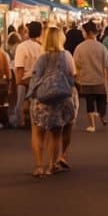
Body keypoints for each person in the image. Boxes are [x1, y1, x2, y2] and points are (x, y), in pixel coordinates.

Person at [29, 26, 76, 177]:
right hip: (59, 98)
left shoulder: (41, 57)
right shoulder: (66, 56)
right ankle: (52, 165)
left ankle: (38, 166)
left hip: (41, 100)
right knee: (56, 133)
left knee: (38, 132)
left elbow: (35, 78)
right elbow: (72, 76)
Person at [73, 21, 108, 132]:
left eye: (83, 32)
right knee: (101, 100)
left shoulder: (80, 47)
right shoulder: (102, 47)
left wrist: (78, 77)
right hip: (100, 80)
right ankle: (102, 115)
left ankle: (92, 125)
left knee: (89, 103)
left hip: (85, 80)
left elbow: (75, 64)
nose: (82, 34)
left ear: (88, 32)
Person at [13, 21, 45, 130]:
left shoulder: (21, 47)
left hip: (24, 79)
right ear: (40, 32)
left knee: (21, 102)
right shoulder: (41, 47)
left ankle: (21, 121)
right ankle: (34, 120)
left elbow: (19, 67)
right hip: (38, 80)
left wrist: (18, 81)